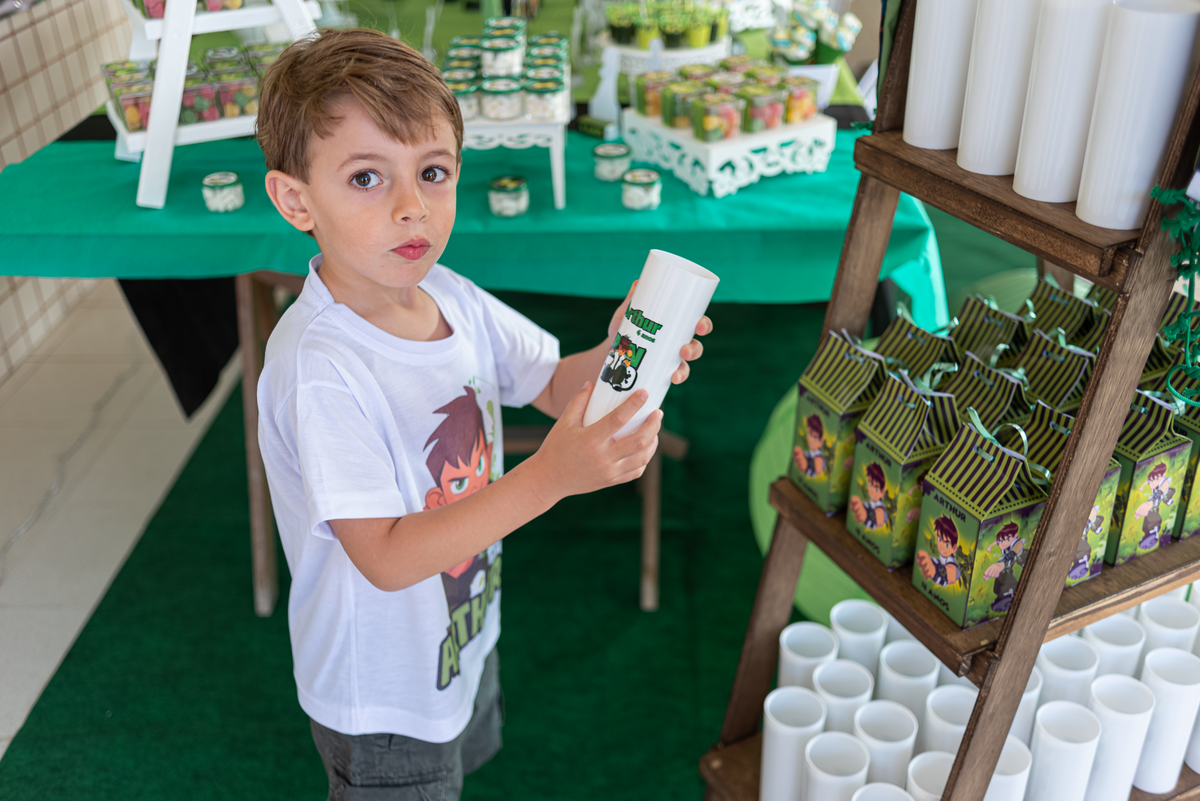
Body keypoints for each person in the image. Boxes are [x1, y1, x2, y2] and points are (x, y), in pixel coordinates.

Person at [253, 30, 712, 800]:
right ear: (297, 199)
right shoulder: (319, 367)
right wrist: (551, 476)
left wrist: (629, 351)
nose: (412, 207)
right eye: (366, 177)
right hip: (383, 695)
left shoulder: (450, 295)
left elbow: (554, 383)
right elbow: (386, 557)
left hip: (459, 629)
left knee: (460, 760)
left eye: (432, 172)